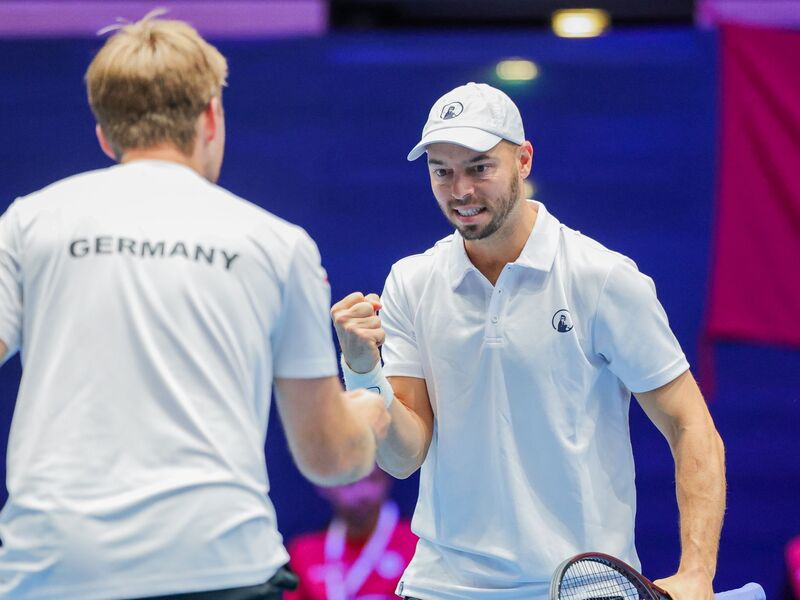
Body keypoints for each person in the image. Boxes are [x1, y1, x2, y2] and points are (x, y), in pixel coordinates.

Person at [0, 12, 389, 600]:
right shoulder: (276, 244)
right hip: (219, 568)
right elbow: (330, 459)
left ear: (106, 135)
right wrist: (373, 408)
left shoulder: (30, 222)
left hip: (53, 570)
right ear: (212, 115)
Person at [331, 82, 726, 599]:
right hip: (442, 588)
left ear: (523, 160)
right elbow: (402, 457)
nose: (460, 191)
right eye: (441, 171)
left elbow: (689, 423)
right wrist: (363, 370)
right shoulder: (411, 281)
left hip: (586, 590)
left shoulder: (600, 277)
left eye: (479, 167)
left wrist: (697, 572)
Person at [285, 466, 416, 600]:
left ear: (387, 479)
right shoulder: (303, 553)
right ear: (324, 485)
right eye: (350, 483)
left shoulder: (417, 544)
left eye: (373, 479)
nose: (363, 493)